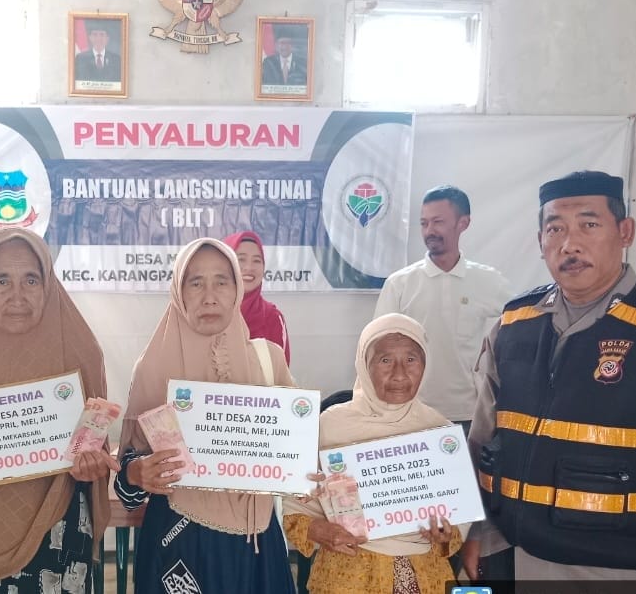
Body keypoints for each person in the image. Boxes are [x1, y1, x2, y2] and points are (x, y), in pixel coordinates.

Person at [462, 171, 636, 592]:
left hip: (611, 569)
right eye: (555, 229)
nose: (570, 244)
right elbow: (483, 438)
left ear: (625, 232)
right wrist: (477, 529)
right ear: (540, 241)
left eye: (589, 224)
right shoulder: (514, 322)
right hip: (510, 555)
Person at [0, 227, 115, 593]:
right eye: (2, 281)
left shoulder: (80, 349)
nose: (17, 295)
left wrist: (92, 465)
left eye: (31, 279)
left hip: (58, 523)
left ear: (48, 283)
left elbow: (95, 442)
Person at [116, 237, 297, 593]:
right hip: (179, 540)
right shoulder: (153, 368)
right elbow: (127, 487)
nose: (210, 296)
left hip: (255, 541)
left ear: (237, 289)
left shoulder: (268, 361)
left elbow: (294, 454)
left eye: (222, 281)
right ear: (178, 291)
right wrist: (137, 472)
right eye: (196, 282)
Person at [284, 313, 465, 594]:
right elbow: (292, 505)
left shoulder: (440, 433)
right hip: (348, 575)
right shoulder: (328, 427)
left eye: (411, 359)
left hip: (424, 576)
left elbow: (459, 518)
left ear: (425, 364)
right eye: (385, 360)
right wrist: (318, 530)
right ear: (363, 364)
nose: (399, 374)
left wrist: (446, 533)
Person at [374, 185, 512, 434]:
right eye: (424, 223)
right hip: (411, 413)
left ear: (463, 223)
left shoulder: (489, 281)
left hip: (471, 413)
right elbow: (376, 349)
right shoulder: (400, 284)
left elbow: (518, 333)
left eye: (438, 222)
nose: (429, 231)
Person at [222, 230, 291, 364]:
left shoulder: (272, 317)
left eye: (257, 260)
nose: (249, 267)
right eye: (241, 259)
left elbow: (280, 371)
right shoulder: (208, 313)